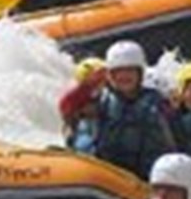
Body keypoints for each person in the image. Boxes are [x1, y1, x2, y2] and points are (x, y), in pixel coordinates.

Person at [74, 40, 175, 182]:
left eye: (130, 71)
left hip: (144, 175)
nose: (124, 76)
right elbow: (85, 135)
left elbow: (168, 139)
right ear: (110, 75)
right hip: (106, 171)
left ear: (140, 74)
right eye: (118, 72)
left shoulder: (154, 101)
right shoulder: (100, 101)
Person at [58, 57, 106, 153]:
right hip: (78, 122)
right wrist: (80, 113)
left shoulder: (104, 90)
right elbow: (65, 108)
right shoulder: (76, 92)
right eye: (97, 75)